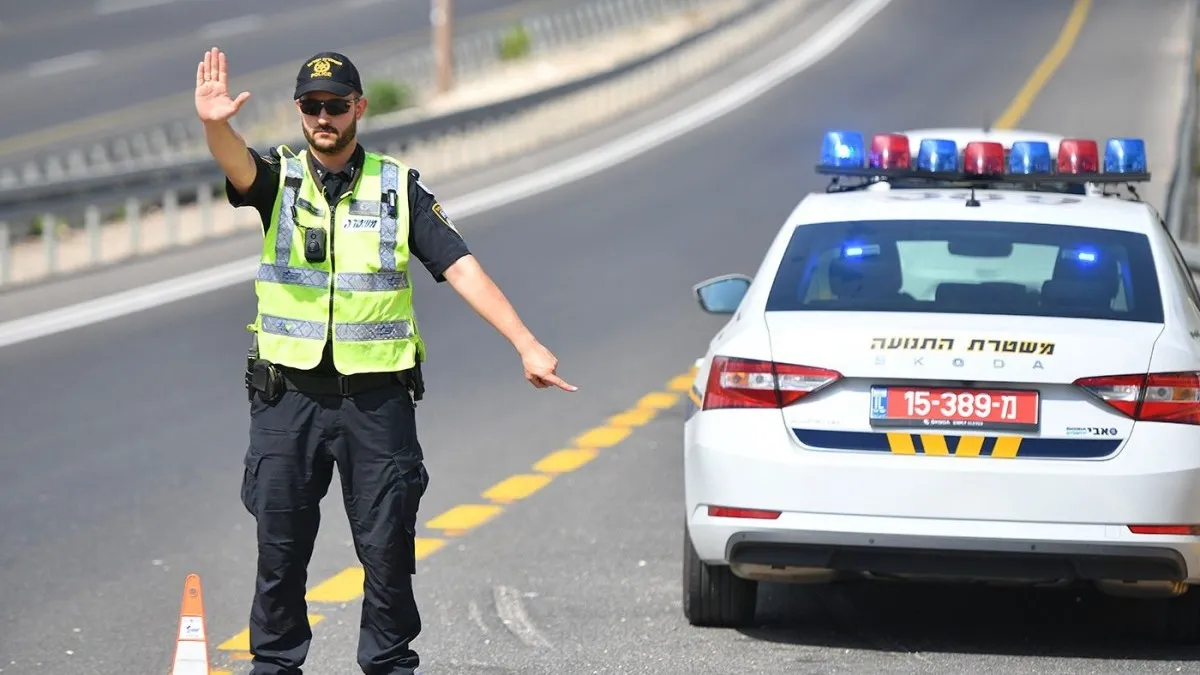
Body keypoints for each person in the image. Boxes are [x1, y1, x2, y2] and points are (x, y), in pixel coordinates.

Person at [194, 46, 576, 675]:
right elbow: (235, 164)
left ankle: (389, 664)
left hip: (377, 403)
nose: (324, 117)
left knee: (388, 552)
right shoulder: (278, 180)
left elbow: (459, 265)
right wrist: (215, 124)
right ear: (299, 111)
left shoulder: (398, 187)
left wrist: (525, 341)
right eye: (313, 106)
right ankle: (275, 666)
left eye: (336, 106)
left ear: (359, 109)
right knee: (280, 552)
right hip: (287, 400)